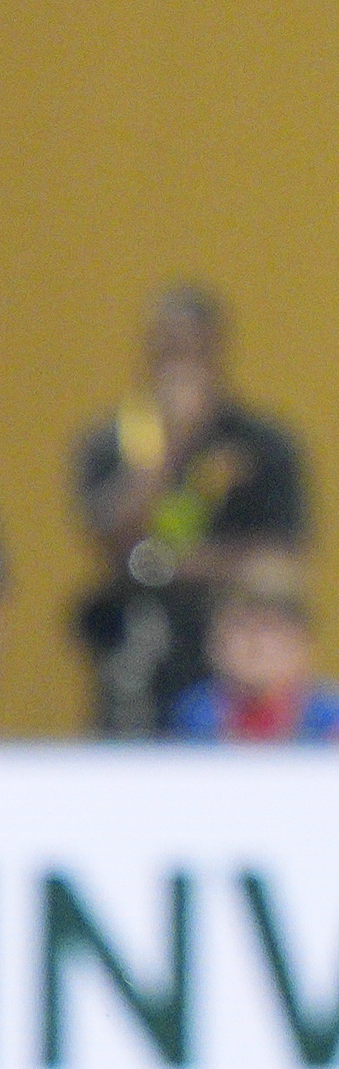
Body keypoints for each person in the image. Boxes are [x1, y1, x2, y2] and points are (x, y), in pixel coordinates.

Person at [75, 284, 309, 737]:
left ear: (218, 350)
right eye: (166, 350)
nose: (179, 365)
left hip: (235, 653)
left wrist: (186, 565)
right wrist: (169, 450)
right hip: (138, 644)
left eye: (193, 350)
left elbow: (283, 555)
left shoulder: (264, 444)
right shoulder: (113, 441)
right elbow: (109, 542)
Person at [170, 553, 339, 742]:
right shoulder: (195, 715)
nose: (255, 644)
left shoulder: (331, 719)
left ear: (304, 643)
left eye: (270, 628)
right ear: (215, 641)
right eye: (241, 626)